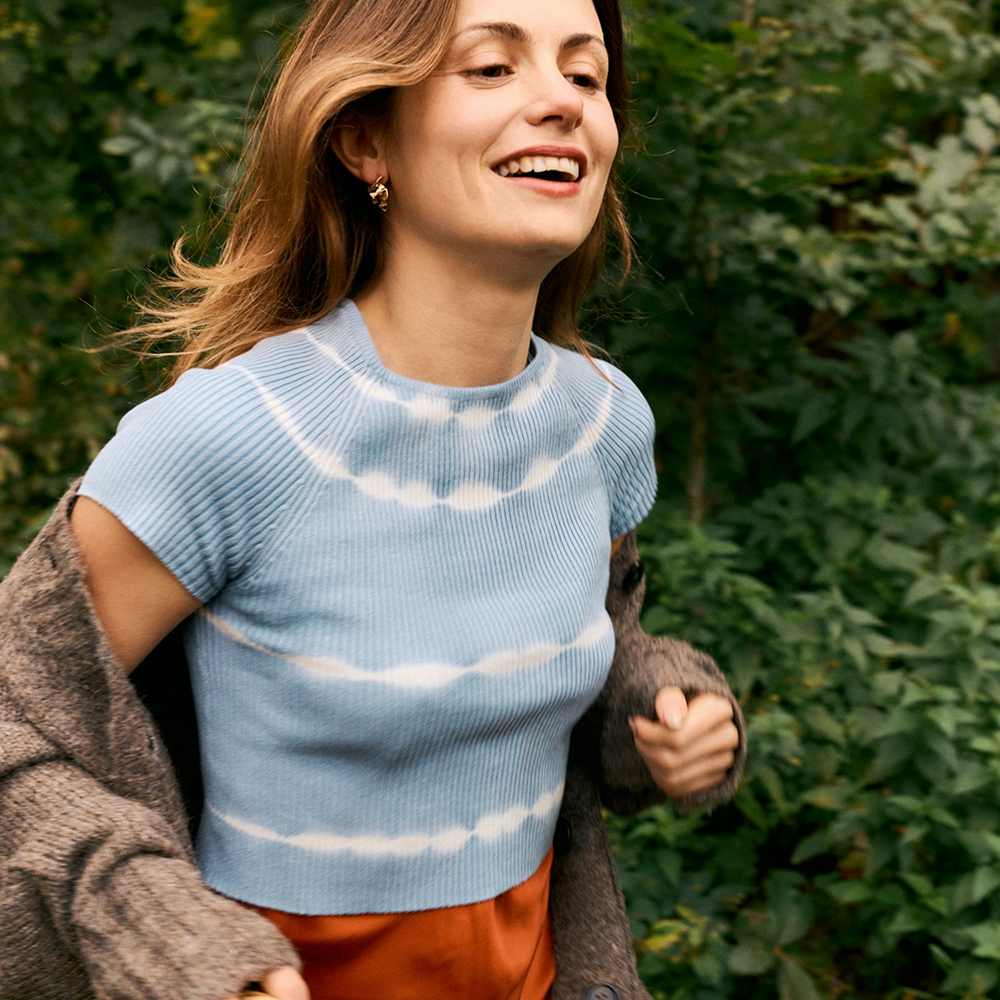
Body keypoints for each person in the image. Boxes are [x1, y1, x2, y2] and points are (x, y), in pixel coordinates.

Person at [1, 0, 743, 997]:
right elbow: (18, 728)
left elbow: (578, 641)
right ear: (364, 138)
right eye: (491, 68)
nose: (560, 103)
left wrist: (661, 704)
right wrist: (180, 946)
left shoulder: (601, 423)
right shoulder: (230, 435)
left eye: (585, 75)